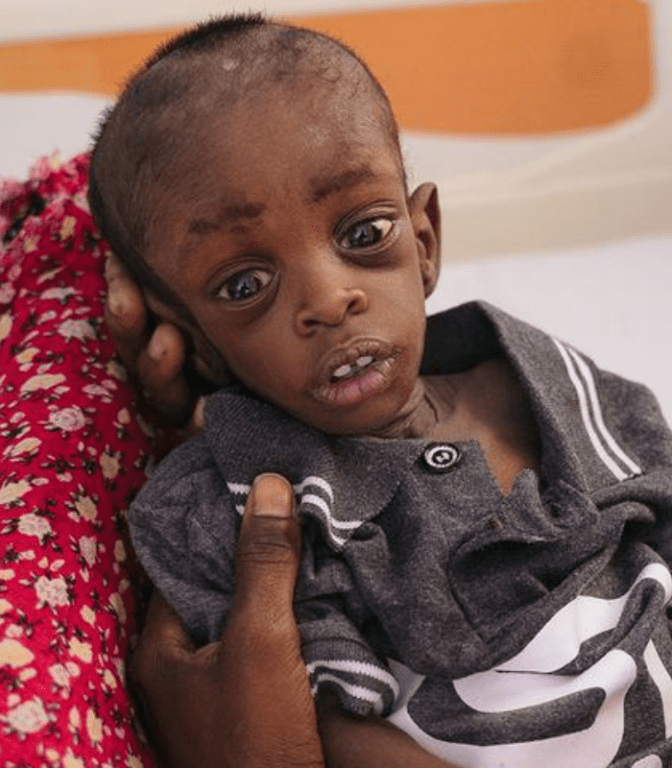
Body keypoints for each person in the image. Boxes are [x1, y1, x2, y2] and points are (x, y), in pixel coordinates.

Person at [91, 13, 672, 767]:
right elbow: (320, 729)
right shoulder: (243, 502)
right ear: (195, 337)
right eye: (245, 284)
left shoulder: (549, 385)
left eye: (364, 236)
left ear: (423, 241)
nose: (328, 300)